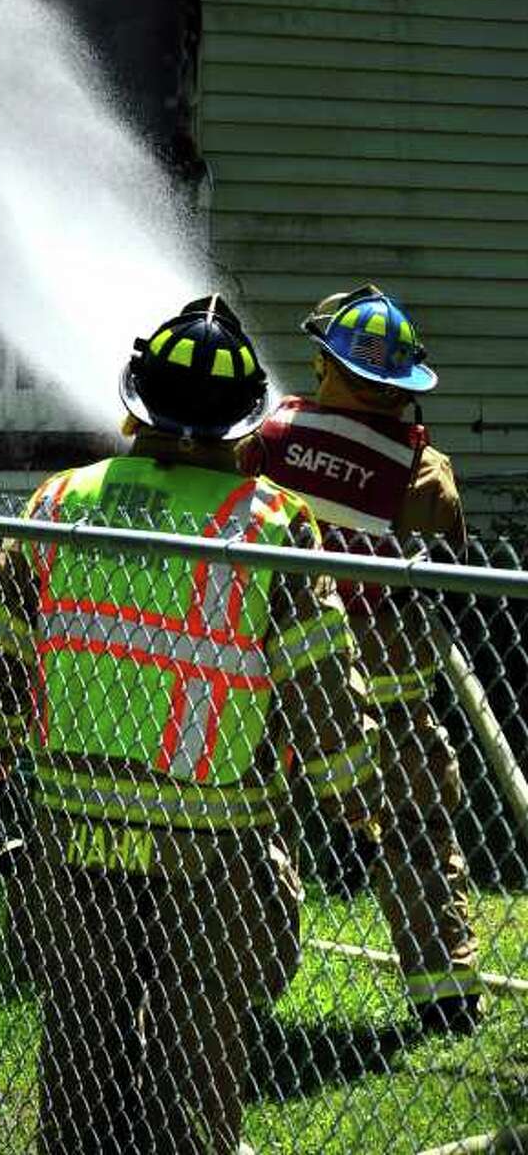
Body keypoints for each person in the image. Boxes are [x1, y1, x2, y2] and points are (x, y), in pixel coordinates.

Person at [0, 295, 381, 1155]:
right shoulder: (268, 526)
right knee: (199, 1065)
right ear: (243, 426)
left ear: (134, 406)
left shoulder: (59, 503)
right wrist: (355, 806)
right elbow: (322, 683)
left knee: (80, 1049)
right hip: (214, 855)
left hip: (73, 836)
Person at [242, 284, 481, 1036]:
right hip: (392, 666)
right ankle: (445, 992)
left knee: (251, 821)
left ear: (325, 365)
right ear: (401, 386)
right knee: (415, 823)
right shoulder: (422, 464)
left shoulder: (270, 433)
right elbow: (452, 545)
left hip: (282, 654)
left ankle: (241, 982)